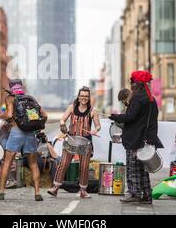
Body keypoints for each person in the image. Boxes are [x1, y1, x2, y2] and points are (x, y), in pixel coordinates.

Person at [109, 70, 163, 204]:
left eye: (132, 81)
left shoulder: (137, 98)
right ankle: (146, 195)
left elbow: (130, 117)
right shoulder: (151, 99)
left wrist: (115, 117)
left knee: (133, 168)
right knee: (142, 169)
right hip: (146, 139)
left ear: (136, 83)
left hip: (135, 139)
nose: (131, 84)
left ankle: (134, 193)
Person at [0, 79, 48, 201]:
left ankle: (1, 193)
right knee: (33, 164)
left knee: (7, 162)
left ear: (11, 88)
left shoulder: (10, 98)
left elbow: (10, 114)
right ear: (21, 86)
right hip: (30, 133)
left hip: (16, 133)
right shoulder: (30, 98)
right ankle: (37, 193)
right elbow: (45, 115)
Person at [47, 86, 101, 199]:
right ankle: (55, 188)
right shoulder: (71, 108)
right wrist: (62, 125)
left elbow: (98, 126)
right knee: (63, 164)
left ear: (89, 97)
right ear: (78, 96)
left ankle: (83, 191)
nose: (84, 98)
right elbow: (62, 119)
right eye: (82, 96)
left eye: (86, 96)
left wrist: (94, 130)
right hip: (71, 140)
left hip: (85, 142)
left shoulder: (93, 111)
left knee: (84, 167)